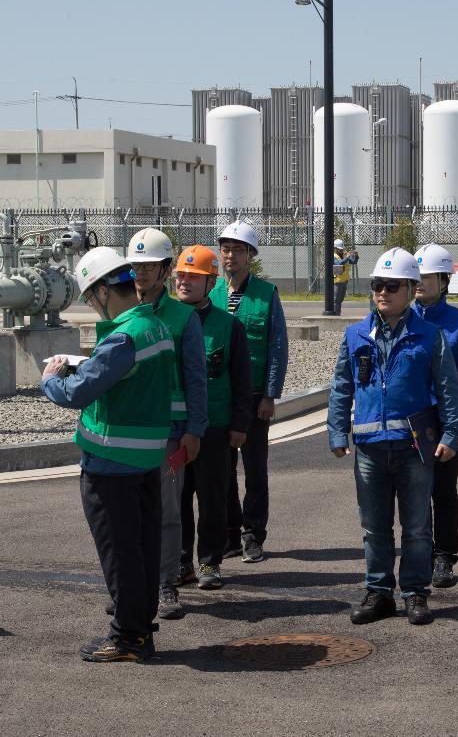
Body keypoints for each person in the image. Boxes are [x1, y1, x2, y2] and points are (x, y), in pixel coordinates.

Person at [41, 247, 175, 663]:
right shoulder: (154, 326)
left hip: (110, 463)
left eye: (89, 298)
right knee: (142, 550)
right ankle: (139, 626)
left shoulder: (121, 337)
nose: (91, 307)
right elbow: (124, 380)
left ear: (102, 290)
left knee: (119, 554)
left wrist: (51, 379)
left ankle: (128, 636)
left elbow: (80, 393)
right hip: (145, 460)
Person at [327, 247, 458, 626]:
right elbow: (342, 386)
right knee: (374, 528)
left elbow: (449, 389)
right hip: (370, 451)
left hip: (413, 449)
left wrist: (453, 433)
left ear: (410, 289)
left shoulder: (430, 336)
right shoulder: (356, 335)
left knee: (418, 527)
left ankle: (416, 593)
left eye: (390, 286)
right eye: (376, 285)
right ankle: (379, 592)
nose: (382, 293)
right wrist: (337, 429)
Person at [125, 228, 207, 620]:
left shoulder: (183, 318)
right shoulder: (121, 311)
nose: (140, 273)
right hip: (127, 429)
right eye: (135, 265)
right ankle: (130, 586)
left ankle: (165, 584)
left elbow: (195, 378)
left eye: (148, 266)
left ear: (164, 270)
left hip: (170, 433)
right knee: (129, 512)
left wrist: (195, 430)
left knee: (168, 511)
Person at [173, 245, 252, 591]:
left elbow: (241, 378)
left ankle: (209, 562)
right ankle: (180, 562)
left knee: (212, 498)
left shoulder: (228, 326)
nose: (185, 282)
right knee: (176, 500)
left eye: (195, 277)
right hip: (175, 429)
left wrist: (239, 425)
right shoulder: (165, 322)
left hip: (216, 428)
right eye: (182, 276)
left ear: (211, 283)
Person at [211, 220, 288, 564]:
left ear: (251, 255)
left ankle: (253, 535)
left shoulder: (266, 295)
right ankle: (229, 534)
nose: (230, 256)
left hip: (255, 397)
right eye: (225, 249)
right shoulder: (210, 293)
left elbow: (277, 347)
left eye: (238, 250)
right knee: (220, 470)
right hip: (219, 397)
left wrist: (270, 394)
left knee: (255, 468)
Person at [413, 243, 458, 589]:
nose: (420, 282)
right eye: (417, 275)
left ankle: (444, 557)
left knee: (443, 489)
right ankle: (419, 553)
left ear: (444, 279)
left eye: (427, 276)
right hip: (412, 420)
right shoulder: (401, 318)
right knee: (414, 490)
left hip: (447, 420)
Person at [331, 238, 360, 316]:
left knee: (340, 300)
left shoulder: (344, 256)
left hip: (344, 281)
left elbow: (354, 262)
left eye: (342, 249)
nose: (341, 250)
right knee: (336, 300)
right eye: (340, 249)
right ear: (335, 248)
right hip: (337, 282)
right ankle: (335, 315)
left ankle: (338, 314)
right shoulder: (334, 257)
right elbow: (338, 264)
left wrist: (356, 256)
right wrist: (347, 257)